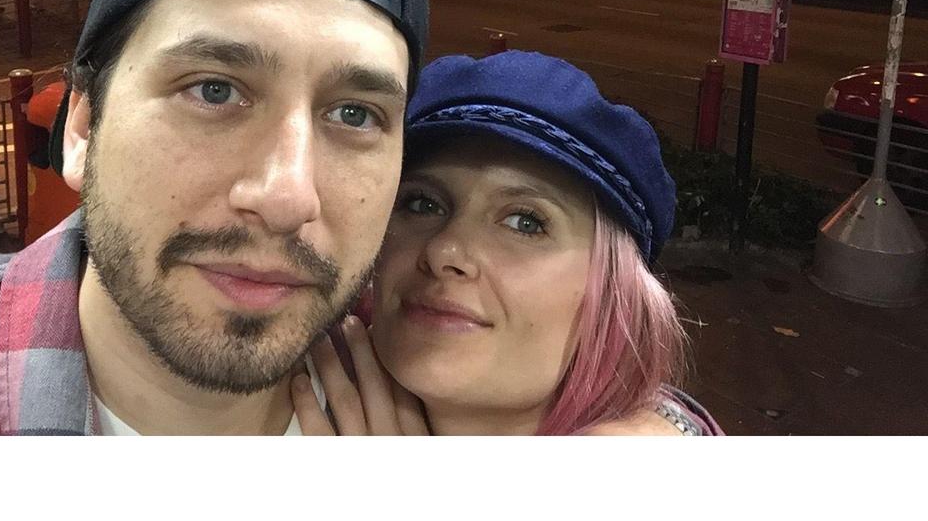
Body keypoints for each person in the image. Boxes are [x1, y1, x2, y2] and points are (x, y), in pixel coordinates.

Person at [0, 0, 428, 435]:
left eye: (354, 114)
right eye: (214, 90)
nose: (287, 199)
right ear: (83, 128)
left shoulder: (436, 378)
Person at [291, 51, 722, 436]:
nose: (444, 252)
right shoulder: (292, 370)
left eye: (525, 223)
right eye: (422, 204)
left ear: (614, 294)